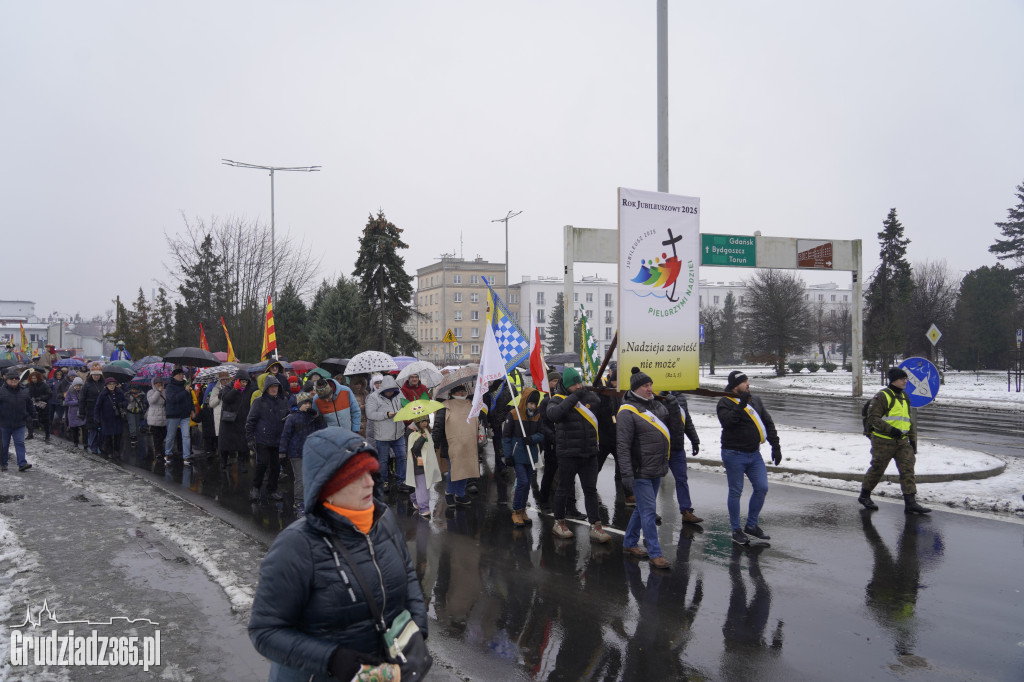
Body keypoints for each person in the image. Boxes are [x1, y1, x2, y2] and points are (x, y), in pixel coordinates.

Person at [248, 427, 428, 681]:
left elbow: (408, 576)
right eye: (355, 477)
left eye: (370, 471)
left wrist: (417, 631)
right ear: (326, 486)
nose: (370, 482)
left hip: (381, 672)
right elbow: (265, 631)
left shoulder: (383, 519)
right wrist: (332, 659)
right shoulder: (296, 546)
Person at [618, 371, 682, 569]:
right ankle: (656, 554)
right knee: (648, 512)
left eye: (650, 385)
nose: (649, 389)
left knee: (642, 509)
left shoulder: (656, 406)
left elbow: (674, 431)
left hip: (656, 468)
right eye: (645, 386)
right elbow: (623, 445)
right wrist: (627, 473)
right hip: (640, 471)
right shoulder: (626, 412)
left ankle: (629, 543)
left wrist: (673, 409)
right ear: (635, 388)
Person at [717, 371, 782, 546]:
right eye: (744, 381)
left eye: (747, 380)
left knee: (762, 487)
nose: (748, 384)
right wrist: (741, 405)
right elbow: (728, 423)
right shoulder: (724, 402)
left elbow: (767, 423)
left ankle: (751, 525)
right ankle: (736, 530)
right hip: (733, 454)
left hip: (754, 454)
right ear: (735, 385)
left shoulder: (755, 400)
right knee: (735, 492)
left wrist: (776, 446)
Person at [546, 367, 610, 543]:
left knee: (590, 490)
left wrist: (595, 392)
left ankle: (596, 526)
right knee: (564, 489)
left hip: (589, 453)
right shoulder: (556, 400)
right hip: (568, 454)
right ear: (566, 385)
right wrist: (575, 397)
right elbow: (554, 415)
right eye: (574, 384)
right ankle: (559, 522)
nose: (578, 386)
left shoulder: (585, 396)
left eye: (579, 382)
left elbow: (598, 404)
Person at [859, 367, 931, 514]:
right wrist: (891, 430)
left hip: (902, 442)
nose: (905, 381)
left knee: (907, 470)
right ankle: (864, 495)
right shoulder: (883, 396)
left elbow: (907, 420)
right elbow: (873, 418)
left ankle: (910, 502)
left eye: (905, 378)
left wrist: (912, 440)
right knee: (877, 469)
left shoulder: (905, 396)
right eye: (902, 379)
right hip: (883, 441)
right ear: (893, 381)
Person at [502, 387, 544, 528]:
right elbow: (506, 436)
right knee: (523, 482)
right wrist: (508, 455)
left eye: (534, 404)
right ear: (525, 401)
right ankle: (516, 511)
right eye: (530, 403)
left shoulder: (537, 415)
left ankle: (523, 511)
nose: (532, 406)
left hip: (530, 455)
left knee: (527, 484)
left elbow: (541, 434)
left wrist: (532, 439)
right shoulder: (513, 414)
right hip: (518, 454)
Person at [279, 391, 326, 515]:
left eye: (309, 403)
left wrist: (317, 416)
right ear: (299, 404)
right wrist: (282, 452)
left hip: (310, 452)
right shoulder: (292, 418)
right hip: (296, 453)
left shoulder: (312, 417)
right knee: (300, 478)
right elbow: (285, 435)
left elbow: (323, 429)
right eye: (305, 403)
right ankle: (299, 502)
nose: (308, 406)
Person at [246, 375, 291, 501]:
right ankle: (255, 487)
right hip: (263, 439)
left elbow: (288, 417)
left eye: (275, 386)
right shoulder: (259, 402)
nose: (273, 389)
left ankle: (272, 490)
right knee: (262, 464)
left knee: (276, 467)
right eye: (271, 387)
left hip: (278, 439)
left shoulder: (283, 400)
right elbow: (250, 421)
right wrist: (250, 438)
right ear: (266, 388)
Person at [432, 384, 477, 508]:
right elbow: (438, 426)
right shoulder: (445, 406)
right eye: (459, 392)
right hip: (450, 444)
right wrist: (435, 443)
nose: (462, 393)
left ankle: (460, 494)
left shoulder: (471, 404)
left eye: (464, 391)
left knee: (465, 469)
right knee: (455, 469)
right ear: (452, 393)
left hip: (467, 445)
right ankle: (449, 493)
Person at [365, 376, 411, 494]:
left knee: (401, 457)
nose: (390, 392)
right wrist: (386, 414)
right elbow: (370, 414)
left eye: (392, 390)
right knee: (383, 460)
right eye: (388, 390)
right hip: (382, 435)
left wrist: (407, 410)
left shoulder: (399, 394)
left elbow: (405, 406)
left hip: (399, 433)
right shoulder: (373, 397)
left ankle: (402, 481)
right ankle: (383, 482)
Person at [669, 392, 704, 524]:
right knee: (654, 481)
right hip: (660, 448)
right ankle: (649, 511)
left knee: (682, 479)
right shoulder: (657, 396)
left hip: (677, 448)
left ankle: (686, 512)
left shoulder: (681, 398)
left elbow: (686, 419)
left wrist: (694, 440)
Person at [405, 414, 443, 518]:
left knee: (425, 484)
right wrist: (422, 438)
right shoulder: (412, 433)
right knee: (423, 486)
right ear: (417, 422)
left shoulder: (425, 431)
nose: (425, 423)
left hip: (427, 463)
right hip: (418, 464)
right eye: (422, 421)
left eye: (426, 420)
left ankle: (415, 498)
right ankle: (424, 508)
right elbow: (415, 449)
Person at [218, 370, 254, 472]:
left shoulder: (249, 389)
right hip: (229, 420)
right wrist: (235, 389)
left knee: (242, 444)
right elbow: (226, 398)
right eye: (242, 382)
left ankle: (242, 464)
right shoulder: (229, 386)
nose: (244, 384)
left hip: (242, 420)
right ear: (237, 380)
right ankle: (223, 461)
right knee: (226, 443)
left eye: (246, 382)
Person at [1, 369, 36, 472]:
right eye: (11, 378)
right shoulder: (1, 391)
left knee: (20, 442)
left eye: (16, 378)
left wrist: (34, 415)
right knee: (4, 444)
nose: (14, 380)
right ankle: (3, 463)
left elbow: (29, 404)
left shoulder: (24, 390)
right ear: (6, 379)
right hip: (4, 423)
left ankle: (22, 463)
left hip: (20, 423)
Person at [164, 366, 194, 466]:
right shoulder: (169, 387)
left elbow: (189, 399)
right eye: (180, 374)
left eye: (182, 374)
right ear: (175, 376)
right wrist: (185, 391)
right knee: (171, 436)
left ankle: (186, 457)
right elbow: (173, 399)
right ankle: (168, 453)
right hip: (173, 415)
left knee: (186, 436)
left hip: (185, 415)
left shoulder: (184, 386)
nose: (182, 376)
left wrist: (192, 409)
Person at [94, 377, 126, 460]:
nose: (112, 386)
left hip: (117, 417)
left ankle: (116, 450)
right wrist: (97, 418)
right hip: (106, 418)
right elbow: (97, 406)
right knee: (108, 436)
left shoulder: (120, 392)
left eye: (113, 384)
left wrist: (121, 404)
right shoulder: (103, 394)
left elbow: (125, 401)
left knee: (117, 436)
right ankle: (109, 452)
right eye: (110, 384)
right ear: (106, 385)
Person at [80, 366, 105, 454]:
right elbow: (82, 399)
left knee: (102, 430)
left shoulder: (103, 384)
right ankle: (93, 447)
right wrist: (81, 412)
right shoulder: (87, 385)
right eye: (94, 375)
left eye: (98, 375)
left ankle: (101, 446)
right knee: (93, 430)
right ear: (91, 375)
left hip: (102, 410)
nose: (96, 376)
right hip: (90, 410)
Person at [146, 377, 168, 470]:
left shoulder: (165, 391)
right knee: (156, 436)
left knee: (163, 434)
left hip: (163, 416)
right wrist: (158, 392)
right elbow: (152, 401)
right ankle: (158, 452)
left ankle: (160, 450)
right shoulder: (150, 392)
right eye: (156, 383)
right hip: (154, 417)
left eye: (160, 383)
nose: (158, 384)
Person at [26, 371, 51, 442]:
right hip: (31, 404)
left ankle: (47, 435)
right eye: (32, 378)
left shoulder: (44, 385)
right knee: (29, 420)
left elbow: (49, 394)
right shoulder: (28, 385)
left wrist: (40, 398)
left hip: (43, 405)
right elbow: (25, 393)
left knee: (45, 420)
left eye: (35, 378)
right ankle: (30, 434)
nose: (33, 380)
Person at [123, 382, 148, 449]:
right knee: (132, 425)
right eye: (132, 389)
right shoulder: (127, 394)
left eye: (135, 389)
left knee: (137, 425)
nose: (134, 391)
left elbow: (145, 403)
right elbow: (125, 402)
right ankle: (133, 438)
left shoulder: (142, 395)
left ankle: (135, 437)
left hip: (138, 412)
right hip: (130, 412)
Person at [64, 378, 86, 448]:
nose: (78, 387)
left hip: (82, 412)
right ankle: (75, 442)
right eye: (77, 386)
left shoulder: (83, 391)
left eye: (80, 386)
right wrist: (77, 402)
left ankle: (85, 443)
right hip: (73, 413)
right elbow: (67, 402)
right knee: (74, 429)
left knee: (84, 428)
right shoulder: (69, 392)